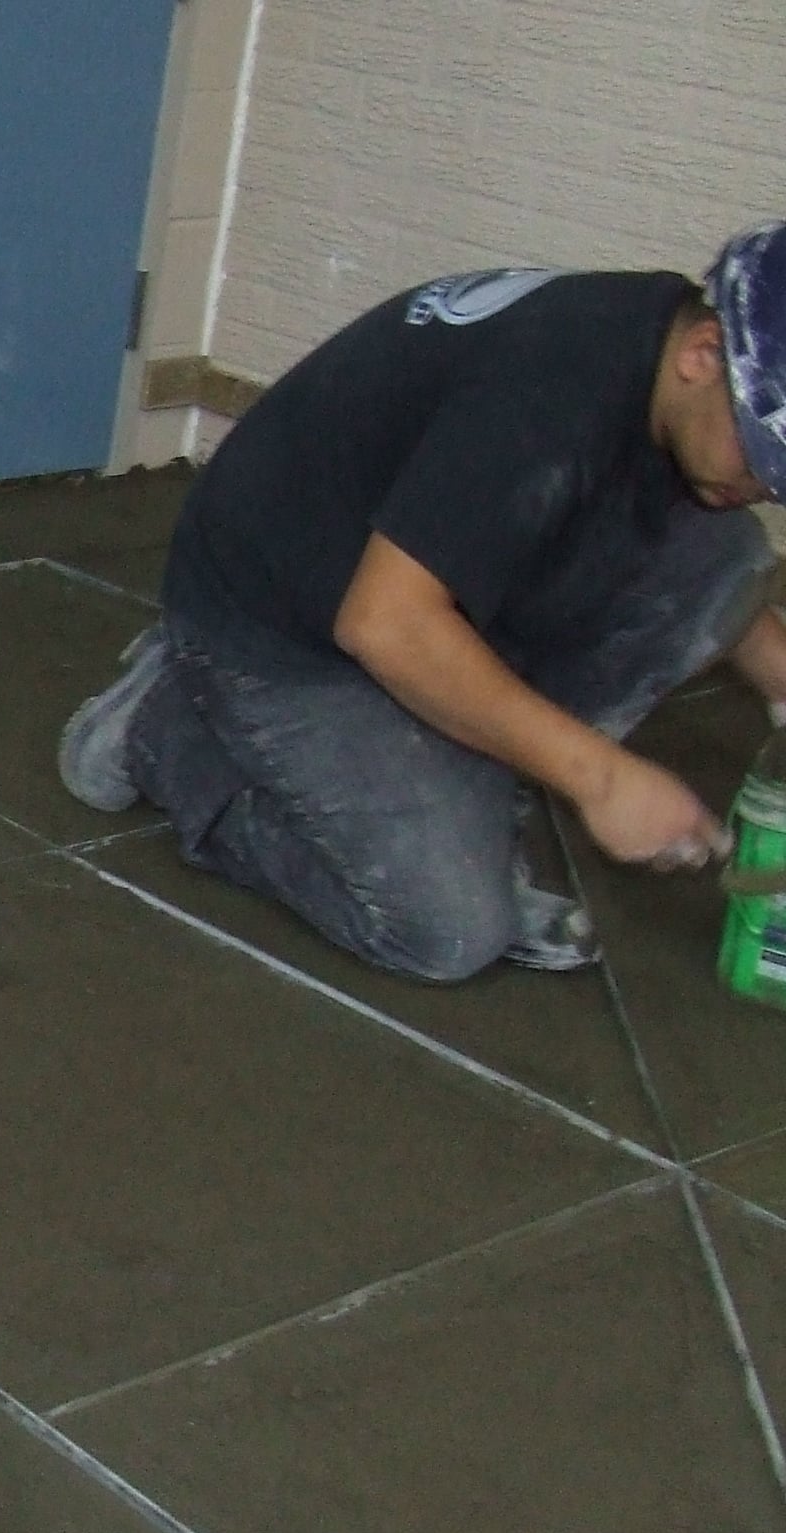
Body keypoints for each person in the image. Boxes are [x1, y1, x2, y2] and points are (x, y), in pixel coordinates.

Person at [60, 221, 786, 981]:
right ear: (705, 354)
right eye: (764, 457)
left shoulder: (659, 353)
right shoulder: (548, 397)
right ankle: (166, 727)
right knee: (447, 930)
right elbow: (385, 623)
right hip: (278, 621)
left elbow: (711, 576)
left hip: (396, 563)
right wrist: (600, 779)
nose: (763, 487)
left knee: (731, 557)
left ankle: (462, 762)